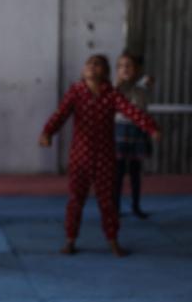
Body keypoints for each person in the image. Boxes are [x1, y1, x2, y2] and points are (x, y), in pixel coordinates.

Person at [39, 55, 160, 256]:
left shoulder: (111, 94)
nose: (92, 67)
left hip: (105, 157)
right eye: (89, 63)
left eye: (98, 64)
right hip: (80, 157)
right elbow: (60, 114)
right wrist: (47, 132)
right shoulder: (76, 92)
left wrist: (151, 127)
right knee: (76, 199)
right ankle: (70, 239)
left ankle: (113, 240)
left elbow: (131, 111)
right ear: (83, 70)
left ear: (105, 72)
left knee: (108, 201)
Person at [114, 52, 153, 218]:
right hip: (119, 131)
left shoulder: (141, 88)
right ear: (117, 70)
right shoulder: (113, 88)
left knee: (136, 172)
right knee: (118, 172)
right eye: (121, 66)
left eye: (129, 65)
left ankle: (136, 206)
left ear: (137, 70)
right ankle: (115, 208)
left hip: (138, 131)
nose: (125, 69)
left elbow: (147, 82)